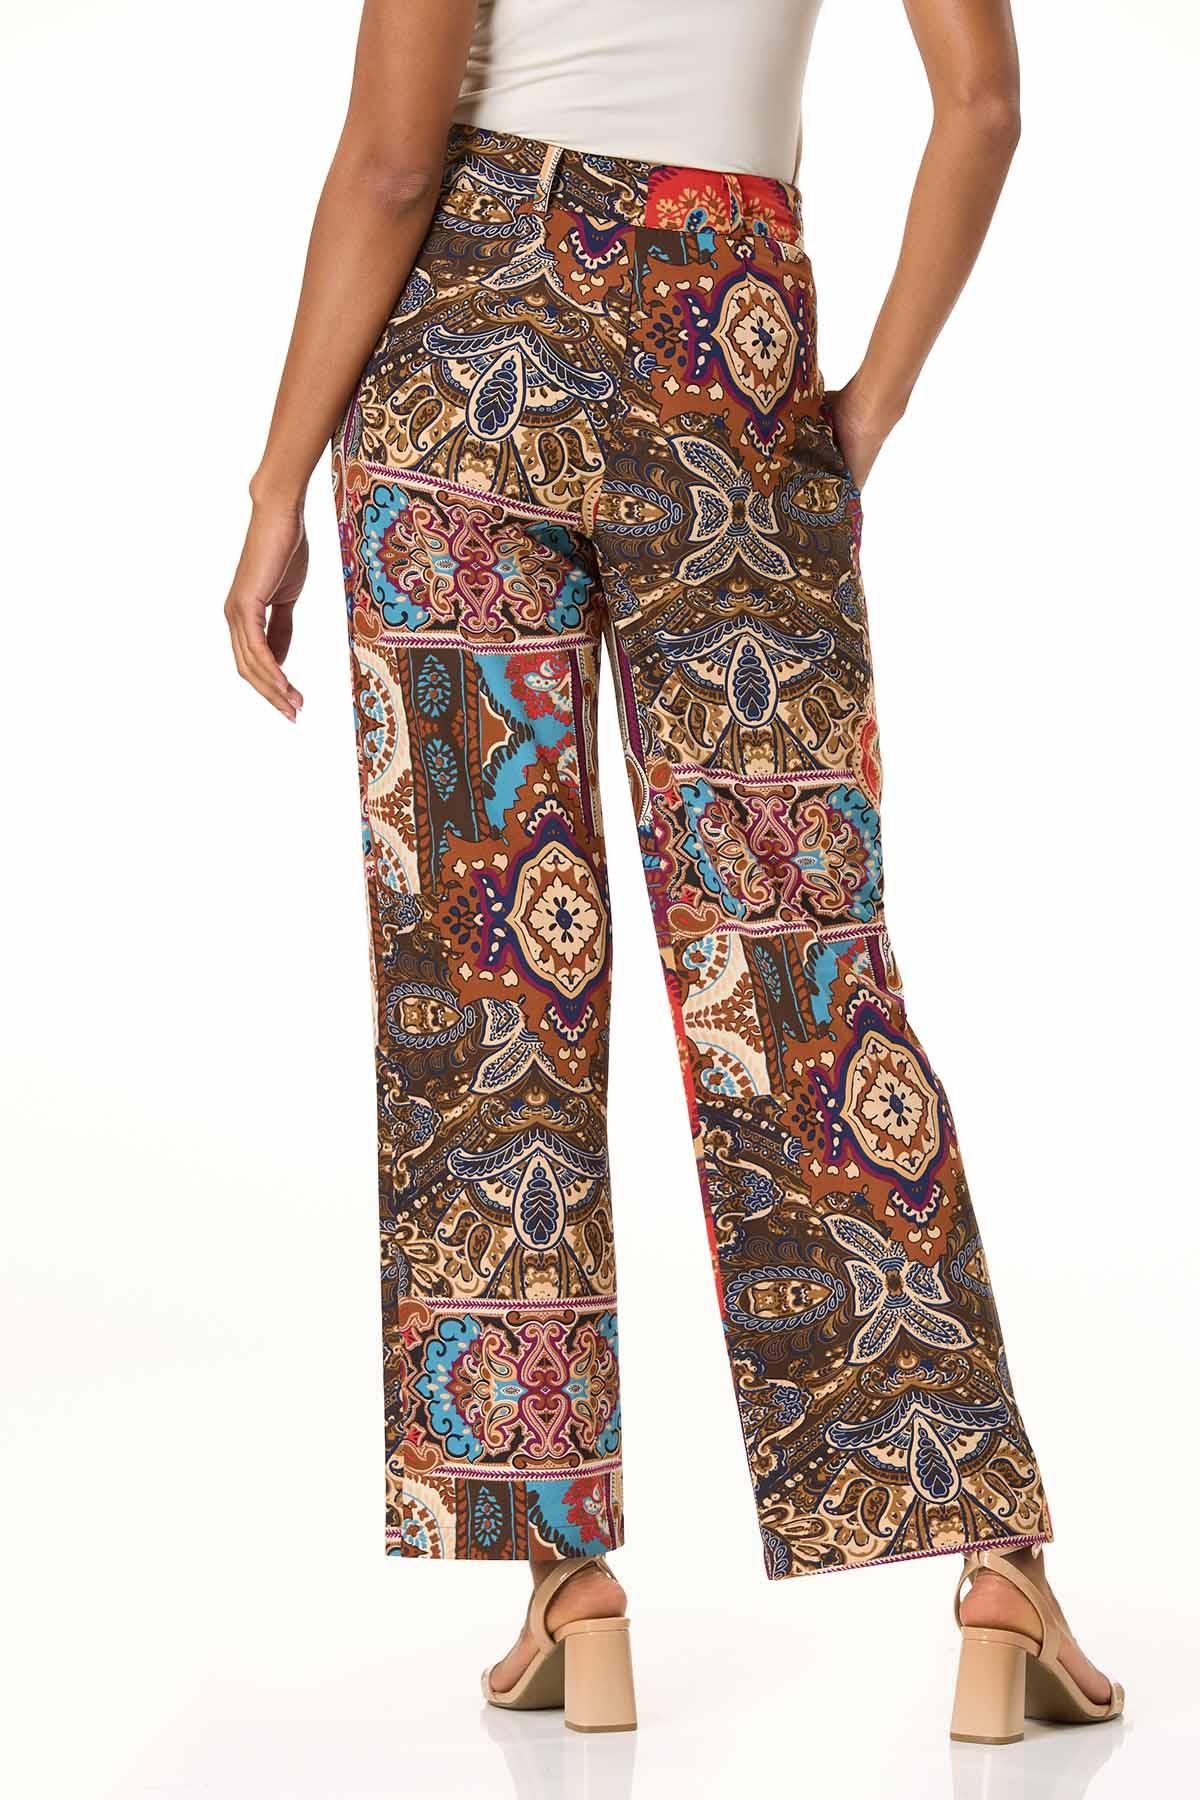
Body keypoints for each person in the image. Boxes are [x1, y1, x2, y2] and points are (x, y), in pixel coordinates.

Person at [223, 0, 1122, 1742]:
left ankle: (568, 1581)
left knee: (493, 977)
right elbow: (984, 109)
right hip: (728, 328)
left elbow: (396, 163)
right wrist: (864, 406)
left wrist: (273, 485)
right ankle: (993, 1564)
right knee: (804, 972)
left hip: (461, 362)